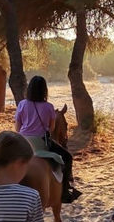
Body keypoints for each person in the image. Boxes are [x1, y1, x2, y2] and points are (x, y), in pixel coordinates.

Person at [14, 75, 81, 203]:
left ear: (29, 89)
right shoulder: (49, 107)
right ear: (44, 90)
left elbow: (17, 127)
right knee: (67, 157)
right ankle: (65, 190)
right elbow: (51, 128)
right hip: (40, 142)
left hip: (22, 142)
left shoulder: (22, 104)